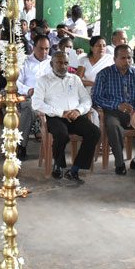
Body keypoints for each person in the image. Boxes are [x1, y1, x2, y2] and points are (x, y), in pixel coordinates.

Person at [32, 51, 100, 183]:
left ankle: (75, 169)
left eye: (66, 63)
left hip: (75, 116)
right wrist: (60, 112)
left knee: (94, 132)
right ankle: (59, 165)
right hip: (55, 117)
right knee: (62, 135)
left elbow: (86, 100)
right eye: (59, 62)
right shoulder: (43, 80)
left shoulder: (75, 79)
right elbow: (36, 103)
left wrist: (78, 111)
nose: (63, 66)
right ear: (52, 64)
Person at [91, 45, 135, 175]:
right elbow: (96, 98)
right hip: (113, 112)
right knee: (112, 125)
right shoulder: (104, 74)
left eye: (129, 58)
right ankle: (119, 162)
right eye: (123, 58)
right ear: (114, 59)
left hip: (134, 112)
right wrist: (117, 105)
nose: (127, 61)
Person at [14, 34, 51, 160]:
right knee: (29, 108)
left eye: (47, 49)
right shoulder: (24, 62)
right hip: (29, 97)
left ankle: (56, 148)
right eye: (41, 48)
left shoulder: (53, 62)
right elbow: (16, 82)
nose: (44, 52)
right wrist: (28, 90)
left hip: (49, 98)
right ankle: (22, 146)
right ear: (33, 48)